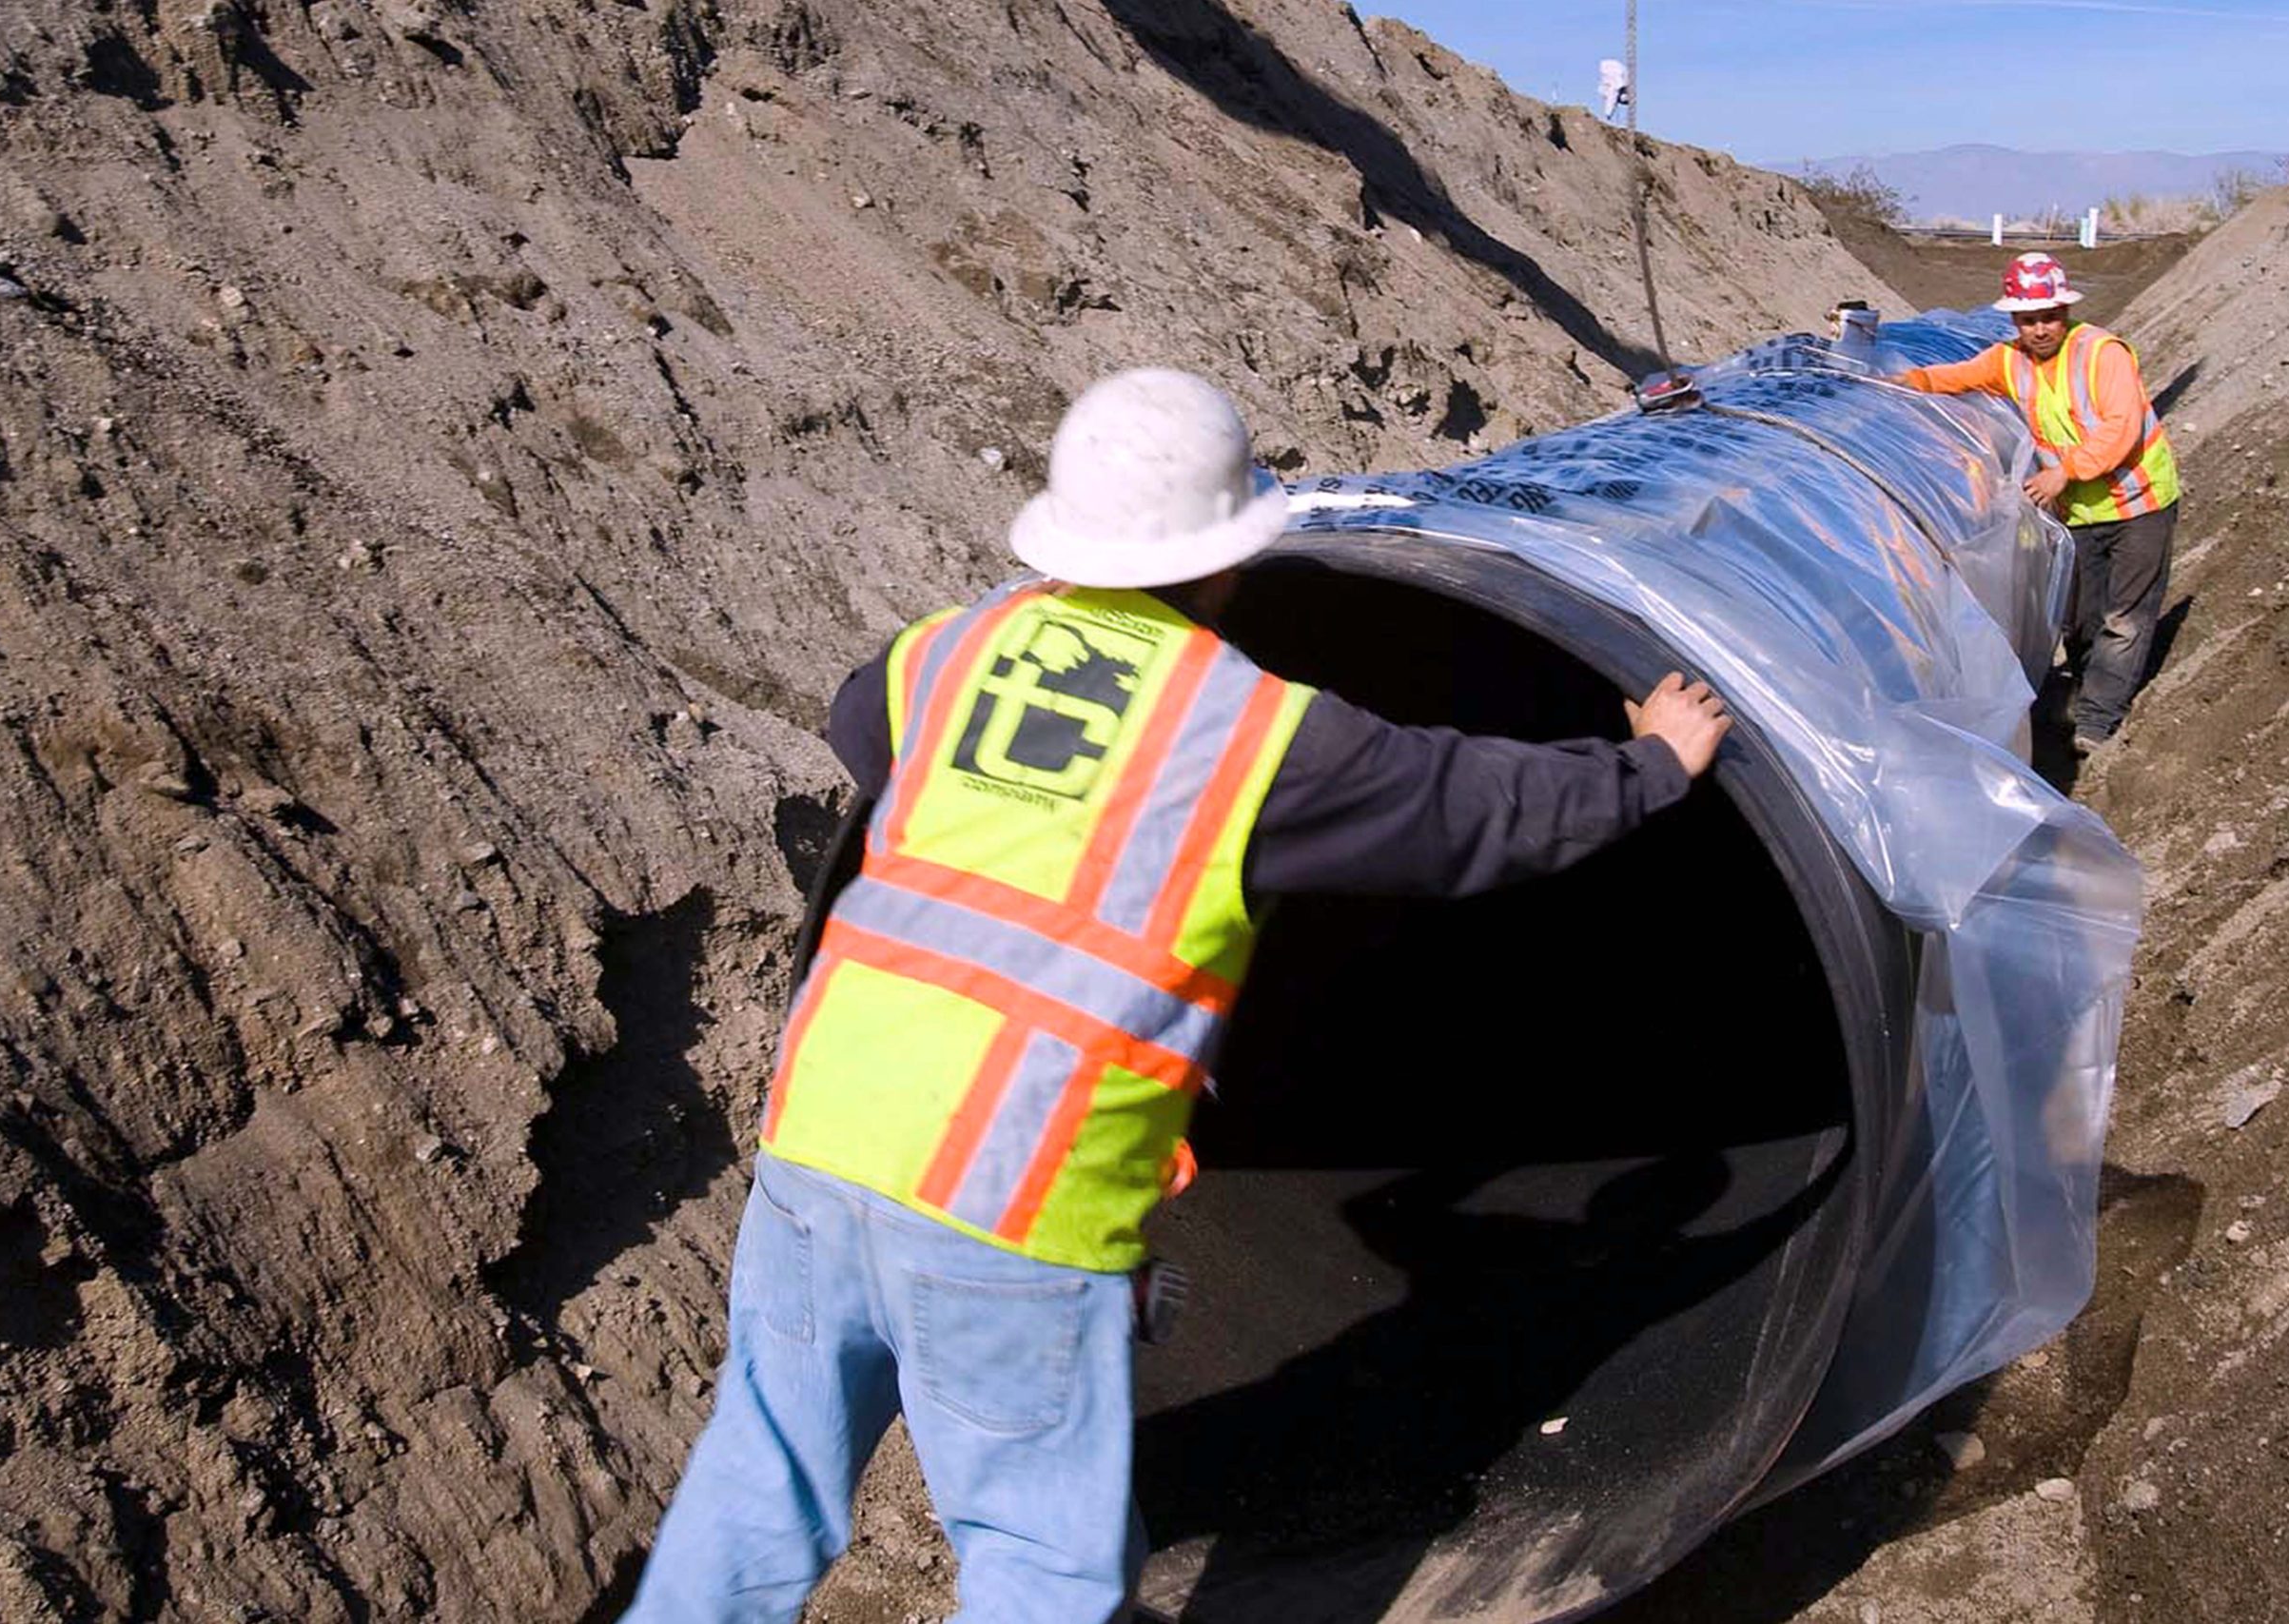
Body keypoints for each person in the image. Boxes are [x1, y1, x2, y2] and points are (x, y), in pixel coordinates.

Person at [622, 368, 1732, 1623]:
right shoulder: (1257, 732)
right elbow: (1476, 810)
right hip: (1009, 1200)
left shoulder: (946, 648)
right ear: (1228, 557)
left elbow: (857, 722)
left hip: (817, 1144)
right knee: (1043, 1561)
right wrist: (1651, 765)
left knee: (762, 1480)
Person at [1892, 251, 2182, 753]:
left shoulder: (2101, 354)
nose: (2040, 329)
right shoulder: (2010, 361)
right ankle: (2085, 692)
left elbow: (2121, 427)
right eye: (2029, 320)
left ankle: (2096, 721)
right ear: (2014, 320)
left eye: (2049, 316)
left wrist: (2062, 473)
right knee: (2080, 619)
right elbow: (1958, 377)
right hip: (2081, 511)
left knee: (2124, 619)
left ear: (2065, 312)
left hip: (2139, 504)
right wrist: (1902, 384)